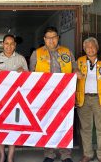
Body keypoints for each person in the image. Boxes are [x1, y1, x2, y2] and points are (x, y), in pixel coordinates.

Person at [30, 26, 78, 162]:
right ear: (44, 39)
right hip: (44, 95)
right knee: (46, 123)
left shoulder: (67, 52)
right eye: (48, 38)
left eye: (54, 37)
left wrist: (77, 71)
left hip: (64, 94)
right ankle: (49, 154)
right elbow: (31, 74)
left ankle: (65, 154)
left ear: (58, 38)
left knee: (65, 123)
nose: (51, 40)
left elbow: (74, 66)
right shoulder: (37, 53)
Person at [0, 34, 28, 162]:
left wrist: (24, 72)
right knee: (0, 126)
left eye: (12, 44)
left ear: (15, 45)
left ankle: (10, 156)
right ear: (2, 44)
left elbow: (28, 78)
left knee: (13, 127)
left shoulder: (21, 59)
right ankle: (2, 155)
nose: (9, 46)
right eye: (6, 43)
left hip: (17, 99)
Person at [76, 37, 101, 162]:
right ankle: (88, 154)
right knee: (85, 128)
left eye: (92, 46)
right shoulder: (79, 61)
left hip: (100, 99)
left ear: (97, 48)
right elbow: (73, 80)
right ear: (84, 49)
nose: (90, 49)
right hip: (83, 99)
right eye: (87, 47)